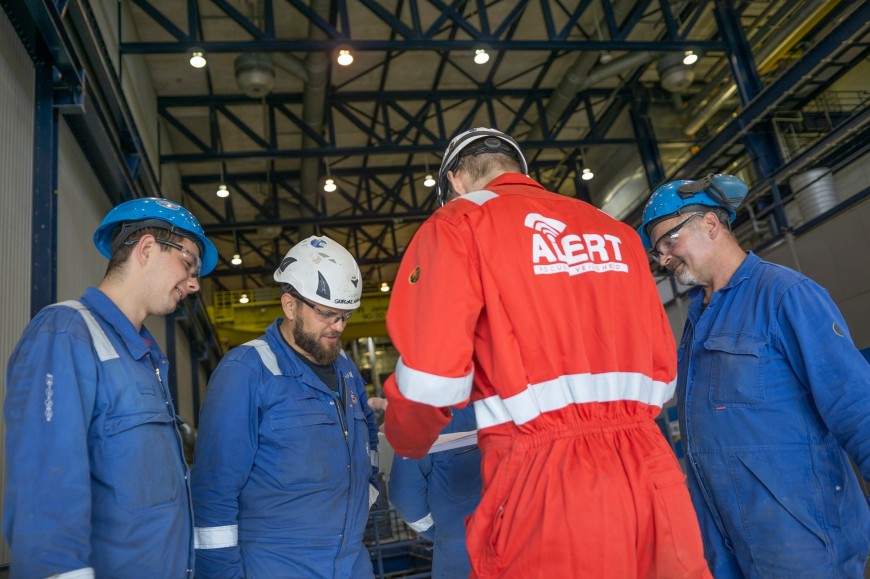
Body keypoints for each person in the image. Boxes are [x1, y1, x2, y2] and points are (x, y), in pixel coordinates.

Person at [379, 127, 710, 577]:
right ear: (519, 169)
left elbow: (430, 380)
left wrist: (405, 439)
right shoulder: (614, 232)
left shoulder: (457, 224)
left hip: (546, 482)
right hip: (652, 468)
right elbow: (663, 373)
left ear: (454, 182)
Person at [638, 174, 870, 577]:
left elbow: (855, 403)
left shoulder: (784, 294)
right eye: (657, 251)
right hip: (728, 542)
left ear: (710, 225)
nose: (664, 260)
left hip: (801, 539)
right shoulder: (698, 319)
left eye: (668, 242)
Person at [3, 197, 217, 578]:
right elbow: (45, 493)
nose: (193, 284)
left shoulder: (145, 357)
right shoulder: (66, 332)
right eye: (189, 263)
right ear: (147, 248)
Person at [191, 235, 380, 578]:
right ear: (290, 305)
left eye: (346, 315)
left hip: (351, 564)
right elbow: (213, 492)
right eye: (327, 313)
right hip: (276, 566)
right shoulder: (247, 371)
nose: (338, 326)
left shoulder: (346, 369)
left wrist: (366, 492)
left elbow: (367, 439)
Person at [388, 405, 481, 579]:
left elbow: (404, 494)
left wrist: (441, 532)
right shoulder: (522, 398)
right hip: (527, 544)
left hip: (461, 553)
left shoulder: (424, 412)